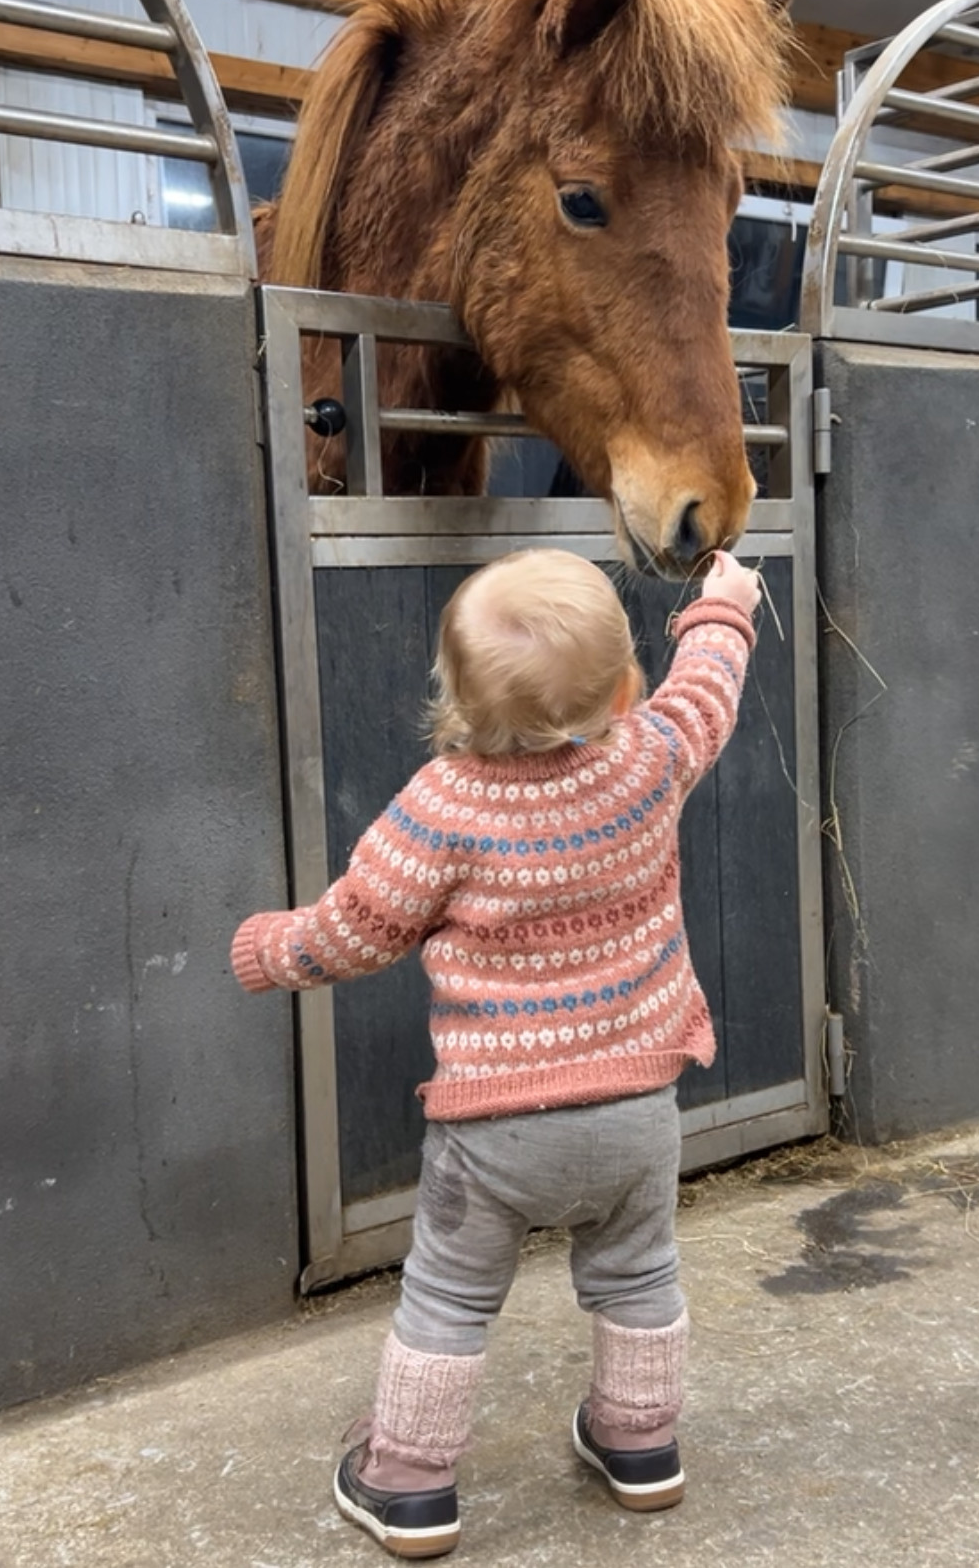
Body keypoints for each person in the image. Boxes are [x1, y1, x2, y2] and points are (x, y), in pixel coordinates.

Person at [231, 546, 761, 1559]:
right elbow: (708, 698)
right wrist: (721, 609)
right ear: (621, 685)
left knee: (449, 1295)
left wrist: (269, 950)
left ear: (456, 696)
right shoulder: (649, 759)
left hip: (494, 1131)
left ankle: (411, 1483)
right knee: (640, 1275)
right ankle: (641, 1445)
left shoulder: (440, 805)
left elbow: (360, 927)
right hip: (636, 1108)